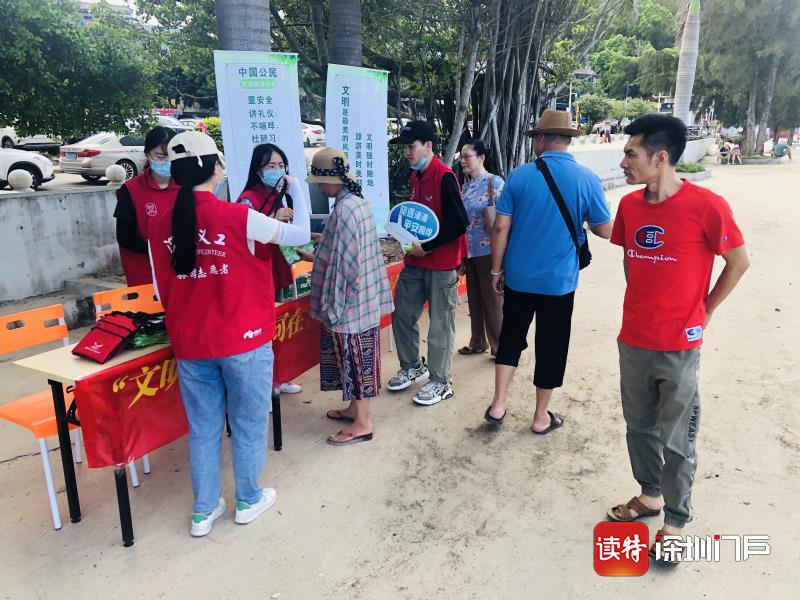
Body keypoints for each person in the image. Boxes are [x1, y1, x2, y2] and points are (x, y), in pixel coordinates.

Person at [148, 131, 310, 537]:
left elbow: (158, 289)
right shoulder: (239, 217)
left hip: (190, 344)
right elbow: (300, 233)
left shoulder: (160, 225)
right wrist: (298, 190)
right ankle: (248, 498)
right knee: (248, 419)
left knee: (203, 427)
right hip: (245, 339)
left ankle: (203, 511)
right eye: (220, 160)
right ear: (212, 168)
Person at [608, 114, 749, 564]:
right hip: (634, 339)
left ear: (661, 157)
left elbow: (738, 262)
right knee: (639, 427)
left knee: (677, 438)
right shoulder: (629, 207)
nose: (624, 160)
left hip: (679, 346)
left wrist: (704, 310)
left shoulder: (707, 206)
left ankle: (675, 520)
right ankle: (650, 495)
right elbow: (633, 261)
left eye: (631, 152)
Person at [486, 109, 613, 431]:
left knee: (511, 338)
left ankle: (499, 404)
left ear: (541, 139)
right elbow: (605, 230)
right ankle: (541, 417)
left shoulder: (519, 175)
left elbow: (501, 227)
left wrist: (496, 270)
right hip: (559, 283)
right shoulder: (587, 179)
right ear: (567, 139)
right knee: (551, 345)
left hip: (519, 278)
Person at [298, 148, 393, 445]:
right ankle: (355, 409)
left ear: (332, 180)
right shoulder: (356, 203)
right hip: (363, 299)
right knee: (355, 359)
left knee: (355, 361)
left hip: (350, 304)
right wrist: (318, 246)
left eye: (319, 181)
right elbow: (341, 247)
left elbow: (344, 264)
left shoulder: (345, 209)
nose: (318, 187)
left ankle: (363, 423)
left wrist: (333, 306)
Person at [386, 121, 468, 406]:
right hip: (415, 261)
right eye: (405, 147)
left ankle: (440, 381)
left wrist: (428, 247)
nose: (407, 152)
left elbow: (460, 223)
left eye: (411, 146)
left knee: (439, 325)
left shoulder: (444, 177)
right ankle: (413, 366)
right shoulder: (415, 176)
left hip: (442, 265)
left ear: (428, 146)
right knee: (402, 314)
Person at [237, 143, 304, 396]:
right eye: (270, 166)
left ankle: (279, 377)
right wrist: (273, 221)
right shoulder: (248, 199)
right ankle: (265, 385)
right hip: (257, 274)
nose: (277, 171)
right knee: (261, 332)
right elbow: (243, 239)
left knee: (278, 327)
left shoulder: (282, 194)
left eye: (281, 166)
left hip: (279, 268)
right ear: (258, 170)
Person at [457, 139, 504, 357]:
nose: (462, 161)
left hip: (489, 252)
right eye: (461, 157)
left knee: (493, 301)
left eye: (467, 156)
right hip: (470, 251)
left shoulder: (494, 183)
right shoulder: (464, 187)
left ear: (481, 158)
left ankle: (501, 347)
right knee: (474, 298)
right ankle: (478, 341)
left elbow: (505, 220)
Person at [114, 126, 178, 285]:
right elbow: (125, 237)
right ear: (148, 153)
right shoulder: (131, 190)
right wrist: (160, 251)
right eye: (161, 156)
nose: (167, 162)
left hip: (180, 269)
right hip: (145, 272)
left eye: (172, 156)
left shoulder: (186, 187)